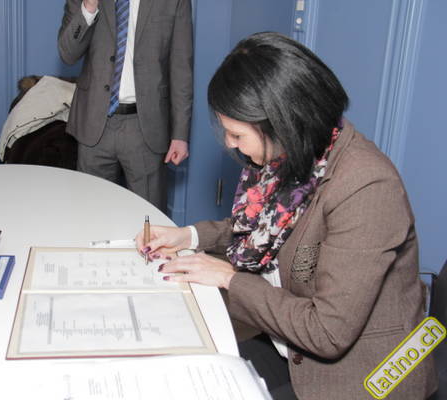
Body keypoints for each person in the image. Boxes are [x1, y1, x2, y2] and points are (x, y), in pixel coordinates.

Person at [135, 32, 437, 399]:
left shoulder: (366, 187)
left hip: (358, 376)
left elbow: (327, 332)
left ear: (283, 124)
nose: (229, 143)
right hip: (289, 344)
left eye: (236, 134)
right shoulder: (300, 152)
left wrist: (229, 278)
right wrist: (188, 236)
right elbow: (261, 227)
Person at [58, 0, 193, 211]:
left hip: (145, 127)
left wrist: (180, 134)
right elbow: (67, 54)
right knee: (91, 214)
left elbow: (181, 69)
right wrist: (89, 7)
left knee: (149, 217)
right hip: (94, 124)